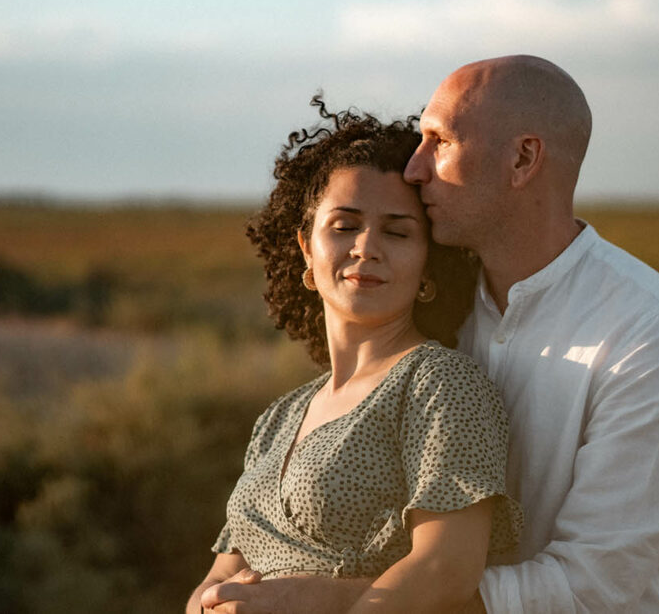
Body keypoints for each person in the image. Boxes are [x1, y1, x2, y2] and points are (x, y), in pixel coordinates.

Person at [198, 56, 659, 613]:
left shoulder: (653, 336)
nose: (414, 168)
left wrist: (324, 602)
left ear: (522, 158)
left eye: (439, 141)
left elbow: (589, 587)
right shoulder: (440, 312)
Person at [186, 98, 521, 614]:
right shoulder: (279, 418)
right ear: (305, 247)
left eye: (397, 231)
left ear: (428, 264)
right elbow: (217, 578)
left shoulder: (440, 384)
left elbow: (445, 570)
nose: (367, 246)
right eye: (344, 225)